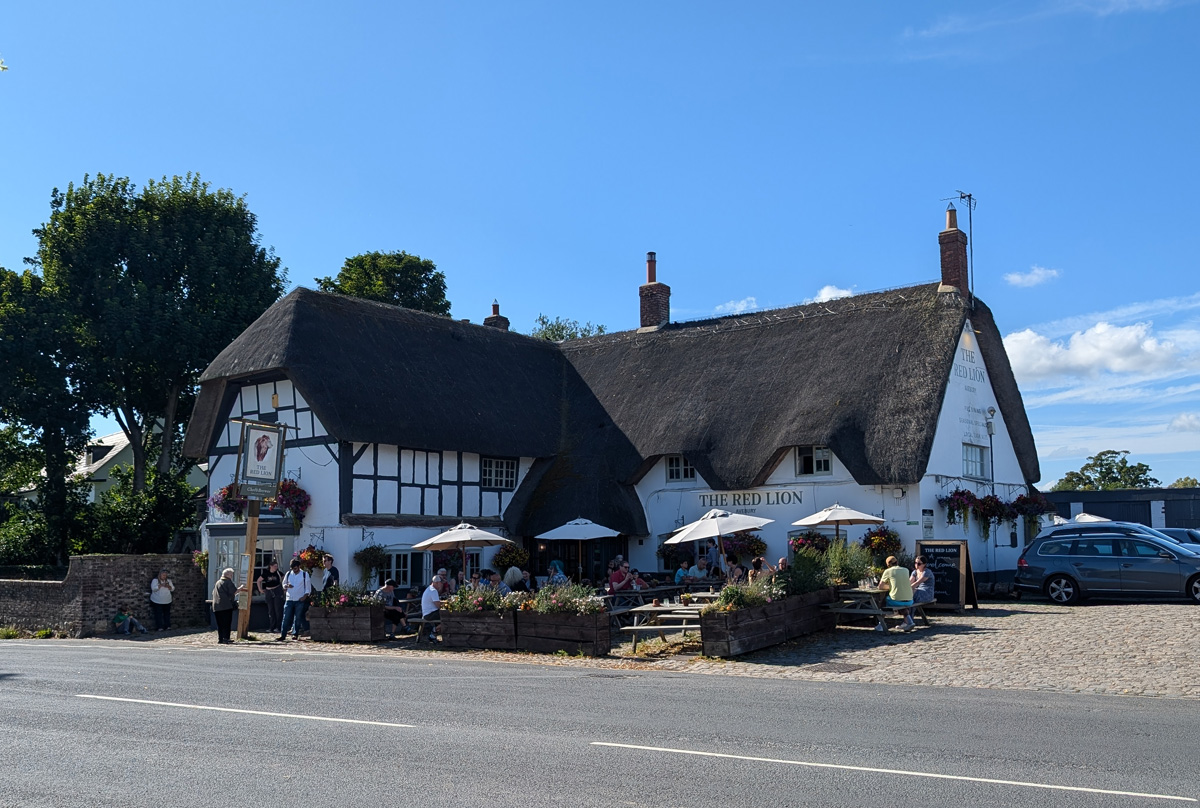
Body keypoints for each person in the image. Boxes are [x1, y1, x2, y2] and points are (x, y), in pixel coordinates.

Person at [878, 555, 915, 632]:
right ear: (897, 562)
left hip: (897, 600)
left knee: (883, 602)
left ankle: (880, 624)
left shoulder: (888, 571)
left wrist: (890, 587)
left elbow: (880, 586)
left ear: (888, 565)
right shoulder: (906, 570)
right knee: (902, 601)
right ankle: (909, 622)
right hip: (910, 599)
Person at [278, 558, 311, 641]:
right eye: (292, 568)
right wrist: (286, 586)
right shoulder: (289, 574)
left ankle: (295, 634)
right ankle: (283, 634)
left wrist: (305, 596)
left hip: (299, 599)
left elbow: (308, 587)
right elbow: (284, 584)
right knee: (286, 617)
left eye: (295, 568)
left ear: (299, 567)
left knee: (298, 617)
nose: (294, 570)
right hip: (289, 598)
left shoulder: (304, 574)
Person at [211, 568, 245, 644]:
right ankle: (226, 638)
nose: (232, 576)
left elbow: (213, 593)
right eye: (231, 574)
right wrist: (241, 587)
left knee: (220, 624)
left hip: (216, 606)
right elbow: (234, 592)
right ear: (228, 575)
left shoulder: (218, 582)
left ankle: (220, 639)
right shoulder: (228, 582)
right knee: (227, 623)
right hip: (226, 606)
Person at [257, 558, 284, 634]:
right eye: (275, 566)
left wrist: (284, 587)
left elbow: (284, 578)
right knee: (271, 610)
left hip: (277, 590)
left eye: (276, 566)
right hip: (268, 591)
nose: (276, 568)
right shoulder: (266, 573)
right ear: (270, 566)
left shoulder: (278, 573)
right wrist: (260, 589)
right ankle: (272, 627)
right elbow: (259, 580)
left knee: (278, 609)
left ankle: (278, 627)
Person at [421, 575, 445, 641]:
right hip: (430, 614)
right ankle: (433, 632)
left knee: (445, 617)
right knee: (447, 617)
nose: (441, 585)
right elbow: (438, 605)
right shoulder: (433, 591)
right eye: (440, 583)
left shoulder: (429, 588)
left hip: (427, 613)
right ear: (437, 583)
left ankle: (434, 634)